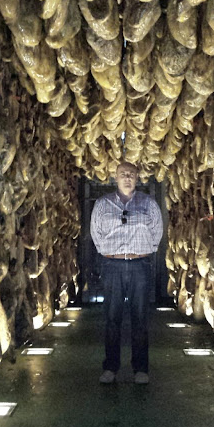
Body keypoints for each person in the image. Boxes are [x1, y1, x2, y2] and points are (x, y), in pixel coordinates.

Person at [90, 162, 163, 385]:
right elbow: (96, 233)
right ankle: (110, 367)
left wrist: (140, 252)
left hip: (139, 264)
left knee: (140, 319)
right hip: (112, 266)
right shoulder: (103, 204)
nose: (127, 178)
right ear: (116, 177)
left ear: (137, 177)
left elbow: (157, 232)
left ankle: (140, 369)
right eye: (123, 174)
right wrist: (109, 253)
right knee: (112, 318)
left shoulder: (148, 204)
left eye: (131, 174)